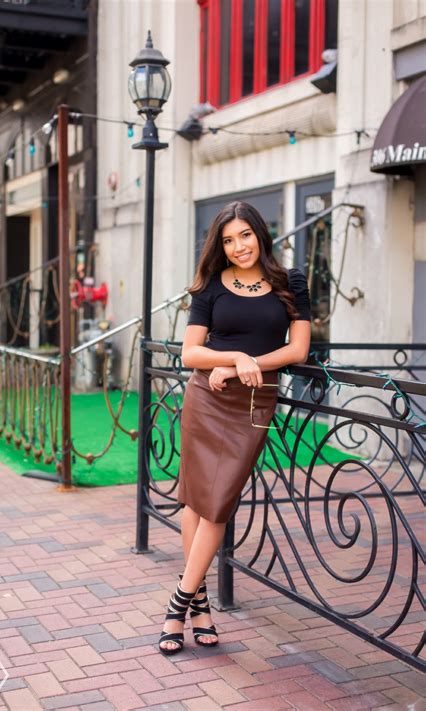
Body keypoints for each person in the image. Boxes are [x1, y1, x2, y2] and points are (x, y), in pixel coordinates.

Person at [159, 201, 311, 655]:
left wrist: (252, 365)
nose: (238, 246)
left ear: (260, 234)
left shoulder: (290, 282)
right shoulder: (209, 285)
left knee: (219, 503)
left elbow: (298, 349)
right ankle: (198, 604)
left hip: (253, 403)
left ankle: (177, 603)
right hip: (207, 397)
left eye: (245, 235)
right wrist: (234, 359)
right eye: (228, 240)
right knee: (197, 499)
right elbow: (191, 353)